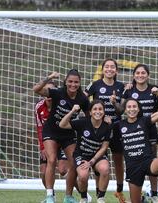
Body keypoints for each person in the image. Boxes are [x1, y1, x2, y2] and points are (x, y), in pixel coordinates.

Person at [33, 70, 90, 203]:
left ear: (79, 83)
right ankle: (49, 196)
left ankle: (68, 197)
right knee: (52, 160)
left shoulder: (82, 98)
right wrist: (49, 77)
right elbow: (36, 89)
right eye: (70, 81)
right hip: (51, 131)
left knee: (75, 163)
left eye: (76, 82)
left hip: (68, 133)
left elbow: (90, 117)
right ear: (65, 82)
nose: (73, 84)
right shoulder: (58, 92)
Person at [115, 64, 158, 202]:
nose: (140, 75)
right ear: (134, 75)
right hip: (133, 130)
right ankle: (138, 191)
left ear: (148, 75)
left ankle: (154, 194)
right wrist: (114, 102)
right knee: (135, 157)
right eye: (137, 73)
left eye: (143, 73)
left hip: (150, 127)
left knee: (151, 159)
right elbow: (120, 110)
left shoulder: (154, 89)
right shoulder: (129, 90)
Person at [112, 98, 158, 203]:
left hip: (147, 161)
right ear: (125, 110)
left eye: (134, 106)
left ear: (139, 109)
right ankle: (143, 200)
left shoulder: (144, 120)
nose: (132, 109)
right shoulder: (119, 125)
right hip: (132, 167)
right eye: (129, 107)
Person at [84, 58, 126, 202]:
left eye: (112, 67)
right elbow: (83, 99)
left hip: (116, 127)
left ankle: (119, 190)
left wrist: (114, 103)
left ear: (116, 70)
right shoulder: (95, 85)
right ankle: (99, 194)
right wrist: (88, 118)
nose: (109, 69)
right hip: (98, 129)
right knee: (98, 160)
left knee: (118, 159)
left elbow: (121, 111)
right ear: (102, 70)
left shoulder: (121, 87)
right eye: (106, 67)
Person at [59, 100, 111, 203]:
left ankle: (100, 198)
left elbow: (104, 148)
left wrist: (92, 161)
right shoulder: (83, 122)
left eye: (100, 109)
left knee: (105, 169)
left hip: (97, 156)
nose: (98, 111)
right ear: (90, 112)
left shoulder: (107, 125)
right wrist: (72, 111)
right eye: (95, 109)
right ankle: (84, 198)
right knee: (83, 176)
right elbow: (62, 124)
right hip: (82, 155)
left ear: (104, 112)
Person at [34, 81, 68, 201]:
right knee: (43, 172)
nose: (48, 95)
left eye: (51, 91)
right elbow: (39, 127)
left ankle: (82, 194)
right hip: (48, 142)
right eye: (46, 91)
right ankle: (51, 195)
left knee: (63, 170)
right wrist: (42, 146)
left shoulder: (62, 105)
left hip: (63, 141)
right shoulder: (39, 107)